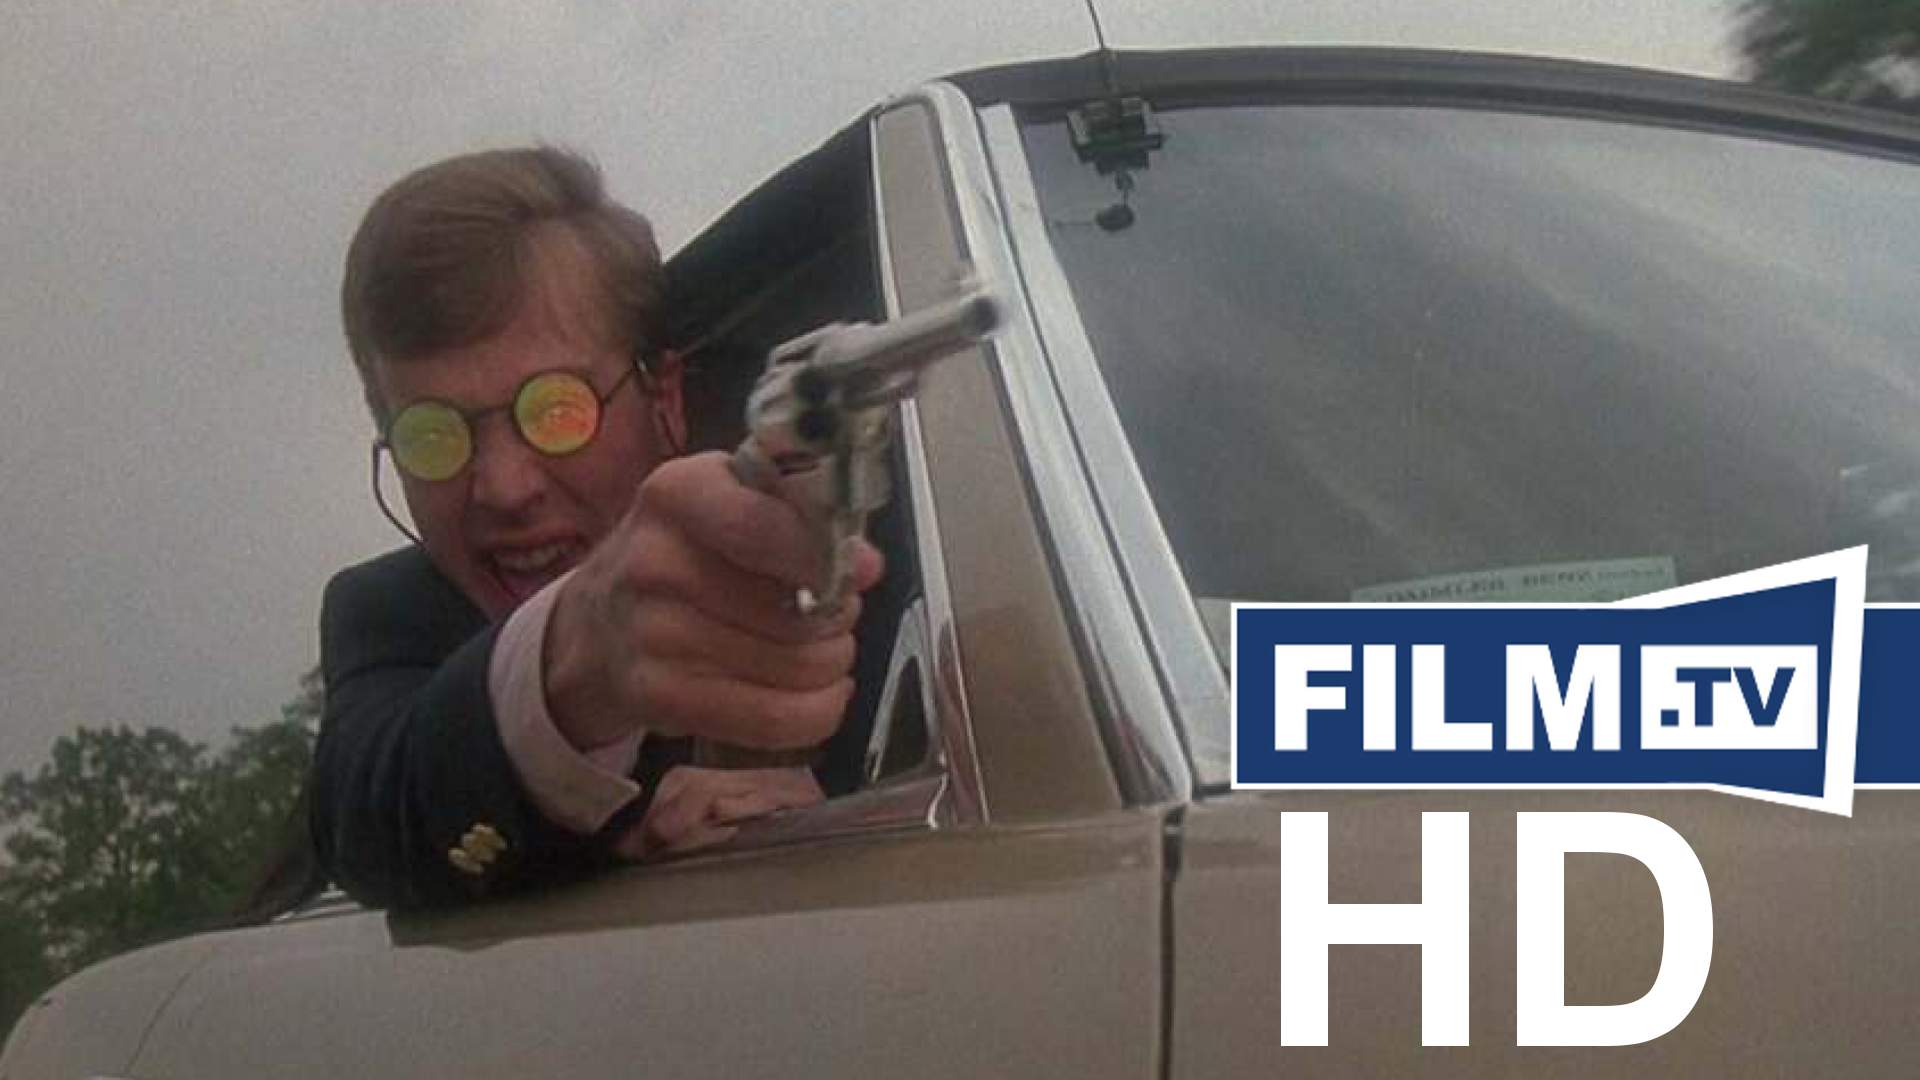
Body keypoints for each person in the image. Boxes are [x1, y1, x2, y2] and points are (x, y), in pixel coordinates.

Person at [310, 146, 881, 909]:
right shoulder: (393, 614)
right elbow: (367, 822)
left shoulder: (858, 538)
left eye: (556, 409)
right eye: (432, 435)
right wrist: (568, 669)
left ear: (664, 398)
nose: (503, 488)